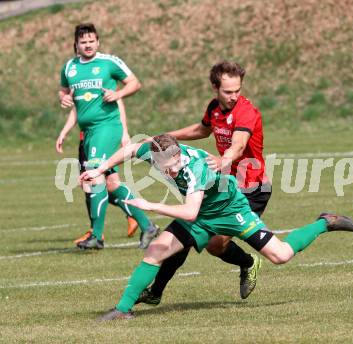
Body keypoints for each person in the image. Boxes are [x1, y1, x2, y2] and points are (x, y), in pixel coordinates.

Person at [79, 134, 353, 321]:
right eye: (167, 168)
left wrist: (151, 206)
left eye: (175, 166)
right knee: (156, 249)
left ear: (179, 156)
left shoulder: (195, 168)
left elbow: (189, 211)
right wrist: (100, 169)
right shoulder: (156, 153)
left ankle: (325, 222)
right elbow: (129, 149)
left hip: (231, 210)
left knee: (281, 255)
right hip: (201, 213)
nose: (172, 171)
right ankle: (123, 310)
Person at [143, 61, 271, 303]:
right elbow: (202, 130)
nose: (234, 96)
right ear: (215, 88)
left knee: (214, 245)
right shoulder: (214, 108)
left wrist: (226, 159)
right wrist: (166, 137)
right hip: (222, 185)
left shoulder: (245, 112)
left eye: (237, 90)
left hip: (251, 188)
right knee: (185, 233)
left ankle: (249, 262)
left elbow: (239, 144)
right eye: (228, 92)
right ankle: (155, 291)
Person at [58, 22, 158, 250]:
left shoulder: (108, 62)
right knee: (111, 184)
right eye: (83, 42)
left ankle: (98, 236)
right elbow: (64, 92)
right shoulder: (69, 67)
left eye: (92, 40)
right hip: (89, 133)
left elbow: (135, 82)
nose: (88, 45)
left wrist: (119, 93)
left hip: (107, 127)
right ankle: (147, 226)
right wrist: (63, 99)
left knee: (93, 177)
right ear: (76, 44)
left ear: (98, 41)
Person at [55, 103, 139, 243]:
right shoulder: (75, 83)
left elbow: (118, 100)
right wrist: (64, 97)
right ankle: (131, 216)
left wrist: (124, 132)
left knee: (93, 182)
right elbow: (76, 104)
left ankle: (97, 232)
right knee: (96, 183)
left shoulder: (104, 83)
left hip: (100, 137)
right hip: (87, 138)